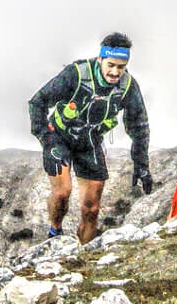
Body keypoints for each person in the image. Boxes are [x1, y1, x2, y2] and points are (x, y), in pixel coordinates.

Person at [28, 32, 153, 244]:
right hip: (59, 137)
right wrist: (46, 139)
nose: (115, 72)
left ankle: (83, 255)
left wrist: (142, 165)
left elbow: (139, 126)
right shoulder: (76, 74)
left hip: (89, 142)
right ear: (100, 59)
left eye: (121, 67)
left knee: (92, 208)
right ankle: (54, 233)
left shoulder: (128, 87)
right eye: (110, 65)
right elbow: (37, 103)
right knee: (62, 193)